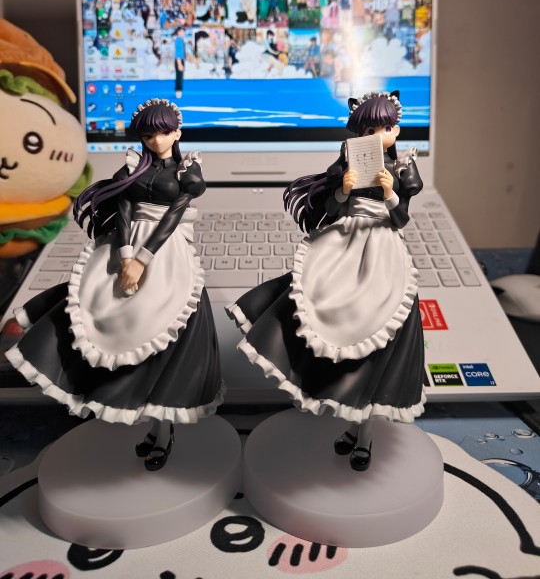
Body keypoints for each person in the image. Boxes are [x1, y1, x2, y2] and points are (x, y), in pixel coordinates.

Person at [6, 99, 224, 472]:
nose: (157, 141)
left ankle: (163, 432)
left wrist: (142, 260)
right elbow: (123, 210)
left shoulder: (188, 170)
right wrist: (124, 255)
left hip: (165, 253)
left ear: (177, 132)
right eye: (149, 135)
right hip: (126, 245)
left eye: (165, 132)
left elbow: (173, 217)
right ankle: (138, 418)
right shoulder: (134, 167)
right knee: (94, 300)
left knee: (165, 343)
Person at [227, 91, 425, 472]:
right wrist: (343, 189)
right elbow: (331, 210)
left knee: (373, 341)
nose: (378, 135)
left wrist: (389, 193)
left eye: (385, 128)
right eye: (369, 129)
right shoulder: (348, 161)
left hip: (382, 253)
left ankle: (364, 436)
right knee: (318, 303)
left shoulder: (403, 169)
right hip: (345, 243)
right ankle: (347, 419)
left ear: (396, 130)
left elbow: (401, 220)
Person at [173, 26, 186, 99]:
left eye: (183, 31)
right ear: (178, 32)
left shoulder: (180, 40)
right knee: (179, 77)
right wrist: (179, 63)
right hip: (179, 60)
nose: (183, 33)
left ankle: (179, 92)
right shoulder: (178, 40)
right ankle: (178, 92)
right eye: (182, 31)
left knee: (180, 77)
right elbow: (177, 53)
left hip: (181, 60)